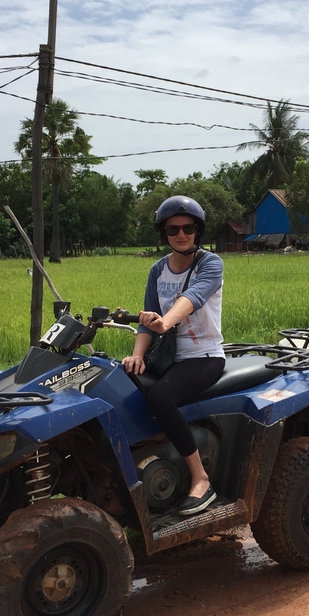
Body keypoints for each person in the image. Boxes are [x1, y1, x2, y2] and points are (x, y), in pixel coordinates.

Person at [122, 196, 225, 516]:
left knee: (161, 397)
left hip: (204, 356)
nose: (181, 234)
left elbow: (192, 298)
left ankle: (200, 478)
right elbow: (149, 320)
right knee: (120, 384)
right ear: (163, 233)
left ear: (198, 231)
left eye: (188, 228)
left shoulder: (210, 263)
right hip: (169, 358)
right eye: (173, 229)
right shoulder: (157, 270)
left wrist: (166, 321)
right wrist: (137, 355)